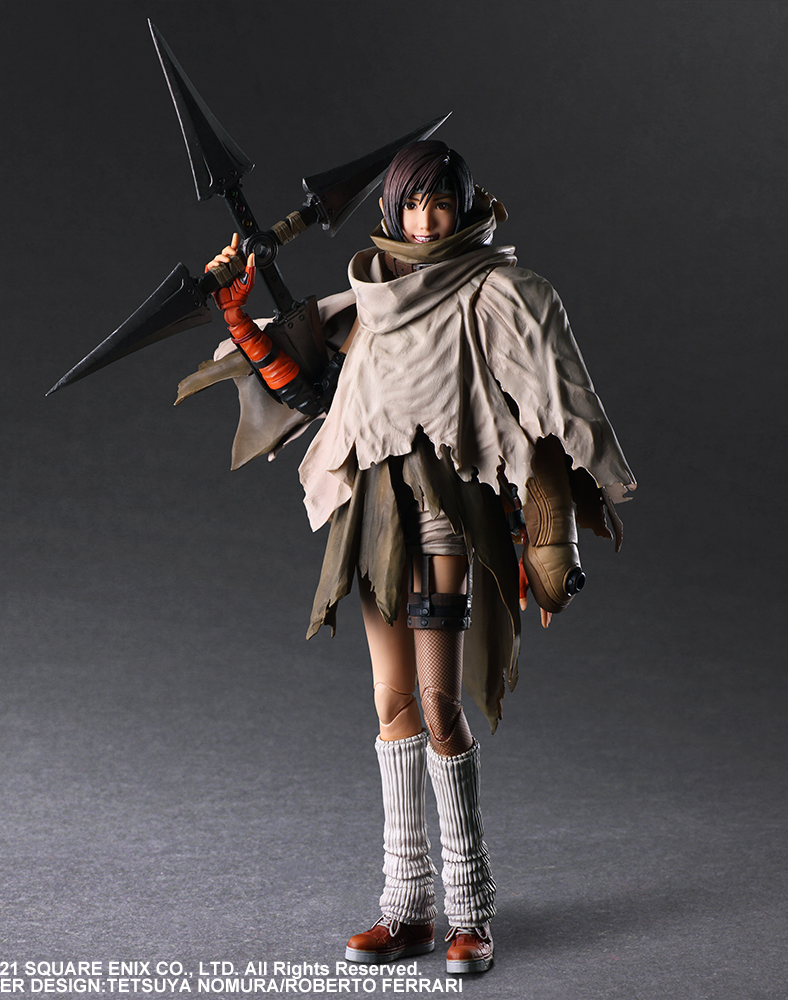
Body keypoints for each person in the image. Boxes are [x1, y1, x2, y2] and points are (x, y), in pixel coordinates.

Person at [199, 140, 636, 974]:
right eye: (412, 204)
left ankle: (471, 908)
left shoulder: (495, 292)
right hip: (373, 514)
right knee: (392, 703)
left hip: (444, 512)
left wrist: (551, 534)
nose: (427, 220)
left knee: (439, 705)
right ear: (389, 211)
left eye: (440, 202)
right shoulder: (372, 294)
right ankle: (406, 908)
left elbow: (552, 407)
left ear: (463, 206)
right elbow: (311, 392)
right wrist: (237, 316)